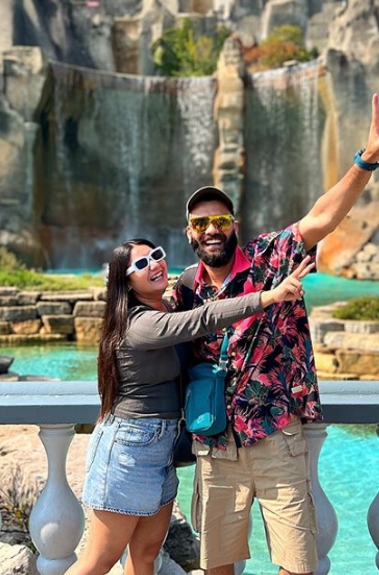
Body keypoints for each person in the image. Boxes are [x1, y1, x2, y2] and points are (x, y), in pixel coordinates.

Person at [176, 90, 379, 575]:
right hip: (214, 444)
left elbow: (323, 216)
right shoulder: (183, 290)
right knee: (215, 565)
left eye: (219, 219)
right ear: (190, 234)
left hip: (276, 438)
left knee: (297, 565)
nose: (211, 229)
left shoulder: (269, 258)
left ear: (233, 224)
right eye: (201, 223)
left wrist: (366, 159)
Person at [68, 240, 310, 575]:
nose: (154, 265)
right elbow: (205, 318)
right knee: (100, 559)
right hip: (128, 448)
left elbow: (201, 291)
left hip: (163, 447)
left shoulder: (167, 308)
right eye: (141, 265)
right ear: (125, 282)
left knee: (146, 553)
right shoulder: (139, 324)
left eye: (156, 256)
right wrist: (269, 296)